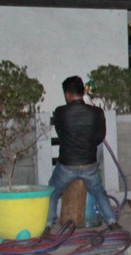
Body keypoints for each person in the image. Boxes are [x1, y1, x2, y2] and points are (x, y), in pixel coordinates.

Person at [46, 76, 121, 232]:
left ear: (67, 94)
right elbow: (100, 136)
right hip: (89, 164)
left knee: (52, 191)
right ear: (82, 91)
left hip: (67, 165)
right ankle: (112, 221)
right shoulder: (97, 112)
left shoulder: (60, 112)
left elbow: (60, 133)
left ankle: (47, 225)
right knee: (99, 192)